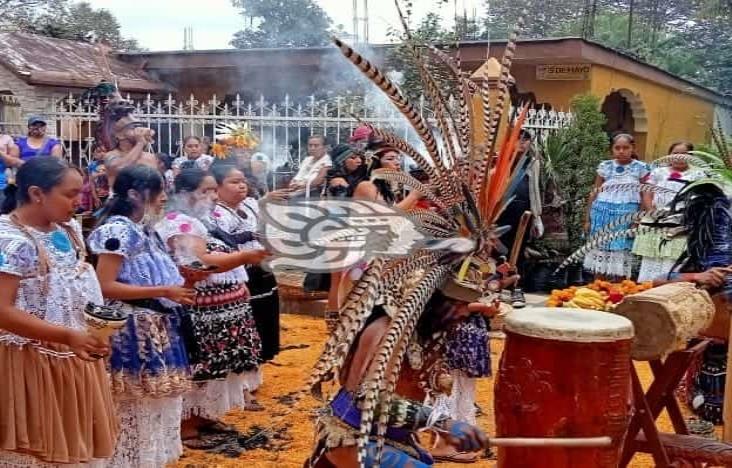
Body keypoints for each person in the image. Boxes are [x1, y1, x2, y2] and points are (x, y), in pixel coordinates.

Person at [0, 157, 118, 465]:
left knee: (74, 446)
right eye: (70, 194)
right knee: (39, 448)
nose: (79, 201)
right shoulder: (9, 240)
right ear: (37, 193)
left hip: (75, 355)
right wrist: (66, 335)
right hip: (30, 361)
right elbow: (2, 310)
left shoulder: (69, 230)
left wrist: (94, 331)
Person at [88, 165, 194, 467]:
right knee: (133, 406)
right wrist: (164, 290)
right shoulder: (119, 230)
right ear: (134, 193)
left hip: (156, 326)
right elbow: (105, 286)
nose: (164, 198)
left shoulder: (144, 229)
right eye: (158, 190)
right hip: (133, 329)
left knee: (156, 405)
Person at [157, 168, 270, 445]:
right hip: (201, 310)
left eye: (212, 190)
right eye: (204, 191)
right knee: (203, 367)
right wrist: (245, 256)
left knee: (220, 367)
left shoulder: (204, 219)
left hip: (220, 309)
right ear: (185, 194)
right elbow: (198, 264)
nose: (212, 195)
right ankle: (188, 427)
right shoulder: (179, 222)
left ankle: (205, 416)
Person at [209, 162, 281, 364]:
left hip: (262, 267)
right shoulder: (217, 213)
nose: (242, 186)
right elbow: (225, 243)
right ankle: (249, 364)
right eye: (234, 182)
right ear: (217, 188)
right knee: (251, 316)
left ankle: (263, 359)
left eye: (243, 181)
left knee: (267, 313)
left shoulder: (250, 204)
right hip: (239, 272)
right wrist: (252, 235)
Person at [634, 141, 706, 282]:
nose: (679, 157)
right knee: (653, 255)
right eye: (675, 153)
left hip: (681, 222)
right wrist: (651, 211)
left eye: (683, 154)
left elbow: (702, 197)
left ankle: (669, 286)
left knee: (674, 257)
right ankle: (648, 285)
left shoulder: (699, 174)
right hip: (656, 219)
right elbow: (647, 192)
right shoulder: (658, 172)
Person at [583, 133, 650, 279]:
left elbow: (645, 194)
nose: (621, 151)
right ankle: (597, 286)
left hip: (626, 215)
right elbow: (595, 192)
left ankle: (619, 289)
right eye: (617, 148)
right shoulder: (605, 166)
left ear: (633, 148)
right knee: (600, 247)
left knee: (621, 248)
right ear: (612, 149)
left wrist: (639, 218)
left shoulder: (641, 168)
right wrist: (587, 219)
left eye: (625, 147)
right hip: (602, 212)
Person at [496, 129, 542, 308]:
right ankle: (496, 288)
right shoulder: (501, 162)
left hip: (523, 213)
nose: (522, 143)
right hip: (501, 213)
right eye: (518, 139)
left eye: (526, 140)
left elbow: (536, 189)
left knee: (519, 251)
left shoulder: (532, 163)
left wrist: (536, 215)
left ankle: (517, 289)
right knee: (498, 251)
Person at [101, 100, 158, 188]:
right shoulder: (110, 156)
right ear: (119, 135)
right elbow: (122, 168)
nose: (138, 129)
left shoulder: (150, 157)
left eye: (138, 126)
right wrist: (140, 143)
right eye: (132, 127)